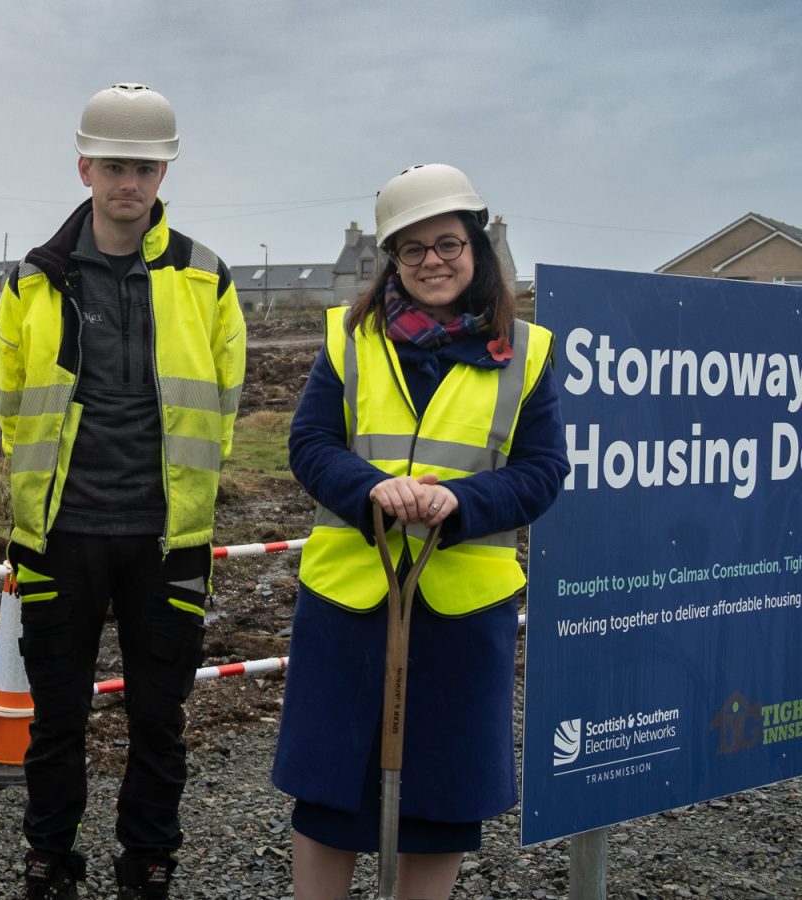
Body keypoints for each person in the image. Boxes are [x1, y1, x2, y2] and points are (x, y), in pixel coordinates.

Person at [270, 164, 570, 900]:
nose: (434, 261)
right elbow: (311, 445)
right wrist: (373, 489)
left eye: (449, 244)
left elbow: (541, 471)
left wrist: (460, 503)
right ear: (392, 260)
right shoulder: (351, 340)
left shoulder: (527, 353)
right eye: (414, 249)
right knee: (330, 786)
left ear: (477, 248)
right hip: (348, 601)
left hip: (462, 612)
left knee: (443, 796)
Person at [0, 83, 246, 900]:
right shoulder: (36, 280)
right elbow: (11, 395)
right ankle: (48, 858)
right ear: (85, 168)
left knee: (158, 717)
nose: (127, 182)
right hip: (60, 535)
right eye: (113, 166)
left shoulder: (207, 278)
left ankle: (148, 859)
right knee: (56, 719)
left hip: (168, 537)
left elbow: (226, 399)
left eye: (142, 167)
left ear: (162, 173)